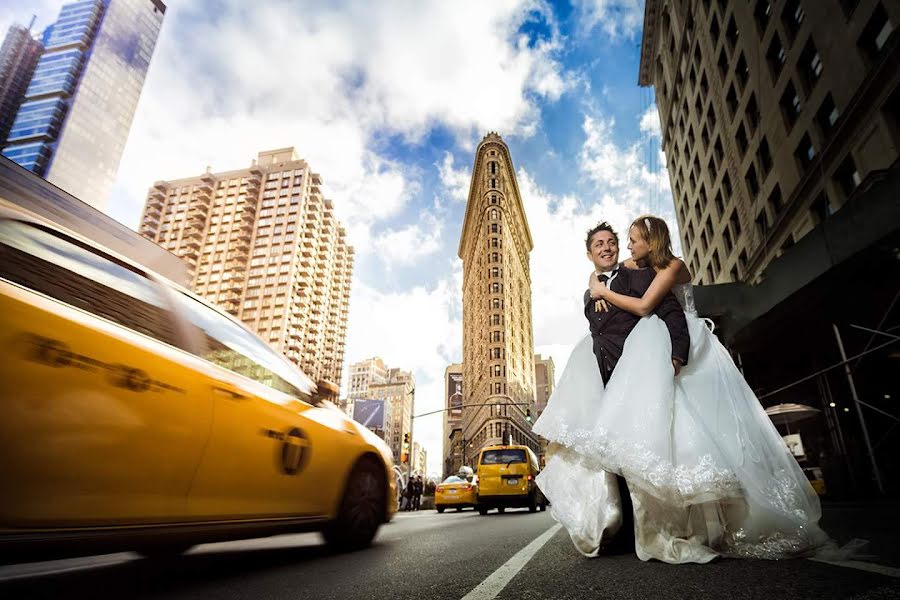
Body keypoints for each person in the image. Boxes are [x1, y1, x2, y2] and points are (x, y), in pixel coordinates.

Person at [584, 215, 832, 563]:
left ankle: (722, 517)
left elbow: (646, 306)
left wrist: (673, 351)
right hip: (652, 349)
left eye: (633, 240)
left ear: (650, 242)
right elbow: (602, 269)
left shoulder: (668, 267)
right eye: (623, 240)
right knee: (676, 435)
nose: (625, 246)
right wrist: (595, 286)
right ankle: (678, 521)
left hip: (687, 345)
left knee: (707, 431)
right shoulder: (632, 265)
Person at [534, 221, 691, 557]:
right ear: (589, 253)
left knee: (640, 448)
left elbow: (668, 309)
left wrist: (678, 352)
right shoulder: (589, 291)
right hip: (601, 376)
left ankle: (651, 524)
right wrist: (596, 289)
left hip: (635, 374)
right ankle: (618, 527)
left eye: (611, 242)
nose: (605, 248)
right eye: (598, 244)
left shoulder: (635, 273)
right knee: (609, 451)